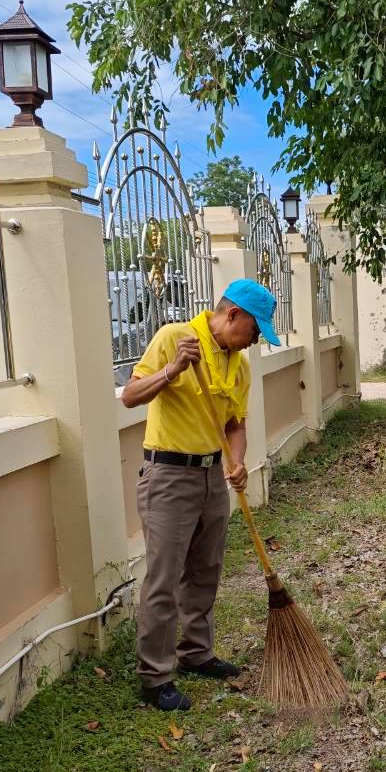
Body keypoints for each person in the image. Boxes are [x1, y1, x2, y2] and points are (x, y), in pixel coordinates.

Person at [121, 279, 281, 711]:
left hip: (212, 476)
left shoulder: (240, 366)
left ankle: (196, 652)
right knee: (164, 576)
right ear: (234, 315)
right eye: (255, 330)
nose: (254, 341)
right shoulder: (175, 338)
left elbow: (235, 425)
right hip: (169, 476)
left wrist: (237, 461)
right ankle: (155, 676)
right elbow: (130, 396)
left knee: (205, 569)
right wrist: (172, 370)